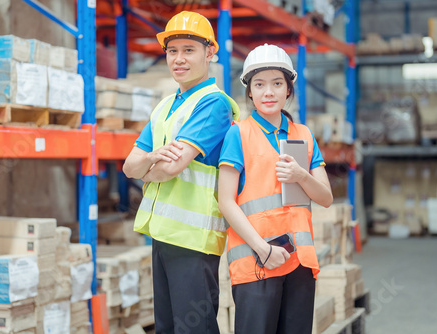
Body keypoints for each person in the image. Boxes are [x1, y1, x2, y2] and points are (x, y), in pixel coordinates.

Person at [123, 11, 239, 334]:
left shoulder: (213, 104)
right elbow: (127, 166)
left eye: (189, 49)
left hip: (194, 239)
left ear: (209, 53)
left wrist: (149, 164)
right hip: (163, 235)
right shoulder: (165, 107)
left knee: (193, 330)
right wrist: (152, 159)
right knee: (167, 329)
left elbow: (171, 167)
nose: (179, 59)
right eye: (172, 51)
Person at [217, 44, 334, 334]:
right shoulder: (238, 133)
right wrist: (263, 249)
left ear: (288, 90)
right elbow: (225, 201)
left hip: (299, 263)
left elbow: (326, 198)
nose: (268, 92)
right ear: (250, 91)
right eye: (259, 84)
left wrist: (301, 176)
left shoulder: (303, 135)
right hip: (257, 264)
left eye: (277, 83)